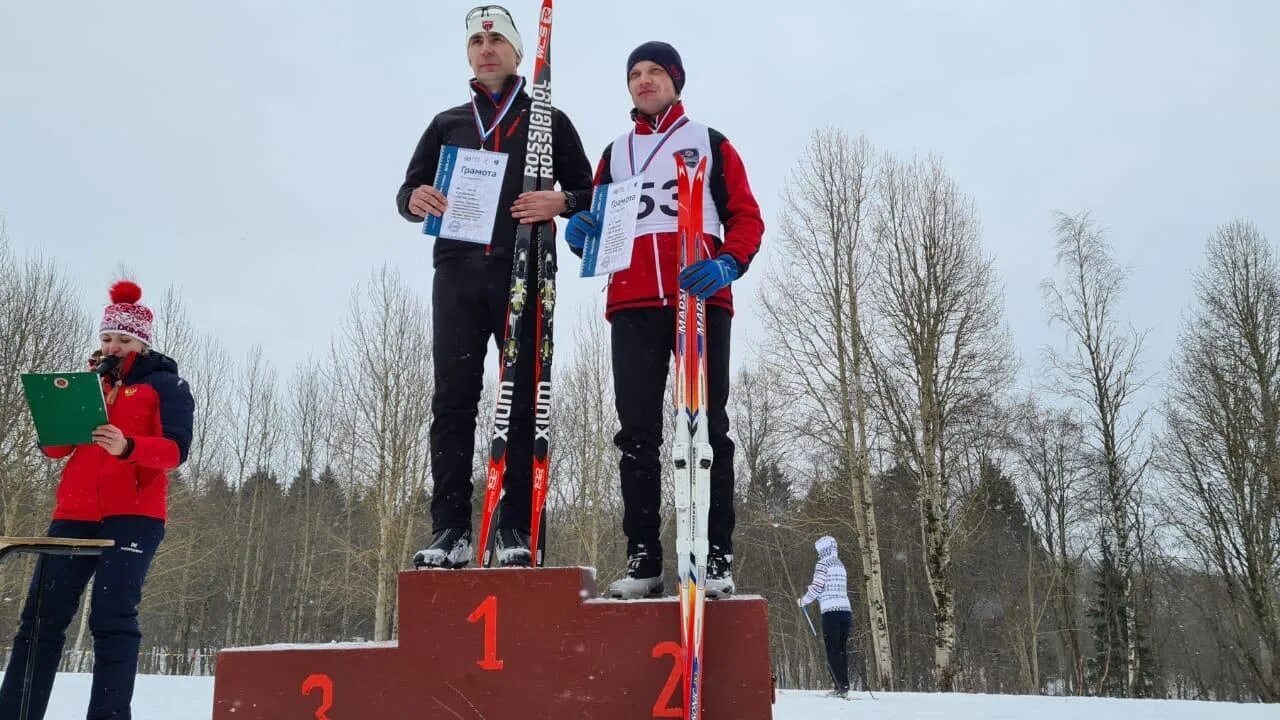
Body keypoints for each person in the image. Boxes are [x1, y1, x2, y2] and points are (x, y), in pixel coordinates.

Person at [563, 41, 764, 599]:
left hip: (697, 297)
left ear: (676, 80)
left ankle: (713, 554)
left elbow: (747, 216)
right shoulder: (616, 152)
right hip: (631, 302)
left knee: (706, 425)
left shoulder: (709, 143)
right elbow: (596, 221)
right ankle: (644, 557)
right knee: (636, 435)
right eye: (634, 73)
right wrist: (581, 231)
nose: (644, 80)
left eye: (655, 71)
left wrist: (728, 262)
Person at [398, 5, 594, 569]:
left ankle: (515, 527)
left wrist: (562, 201)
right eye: (477, 40)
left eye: (497, 39)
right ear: (468, 53)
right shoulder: (448, 123)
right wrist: (415, 200)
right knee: (453, 399)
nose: (487, 48)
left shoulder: (546, 122)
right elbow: (409, 191)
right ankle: (453, 529)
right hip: (458, 273)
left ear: (516, 52)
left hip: (525, 270)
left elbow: (588, 189)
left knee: (526, 395)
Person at [0, 281, 195, 720]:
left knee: (112, 619)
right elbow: (56, 449)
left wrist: (128, 446)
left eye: (124, 339)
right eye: (108, 337)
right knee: (39, 622)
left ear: (142, 342)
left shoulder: (165, 385)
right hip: (73, 511)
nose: (114, 345)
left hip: (134, 515)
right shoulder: (86, 382)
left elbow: (176, 451)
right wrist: (54, 420)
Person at [799, 535, 853, 698]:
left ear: (823, 550)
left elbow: (817, 588)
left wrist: (803, 601)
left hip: (831, 612)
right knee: (841, 649)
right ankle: (843, 686)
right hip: (846, 611)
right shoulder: (840, 564)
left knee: (832, 650)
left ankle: (840, 687)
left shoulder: (823, 564)